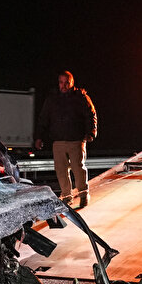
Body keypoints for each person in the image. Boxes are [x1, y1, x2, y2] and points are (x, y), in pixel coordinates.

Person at [34, 71, 97, 207]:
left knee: (78, 168)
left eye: (67, 82)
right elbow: (43, 118)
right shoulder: (52, 99)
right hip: (58, 140)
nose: (64, 85)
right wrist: (39, 137)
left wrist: (91, 132)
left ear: (72, 83)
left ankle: (83, 194)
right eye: (61, 82)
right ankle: (67, 196)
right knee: (61, 170)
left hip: (76, 140)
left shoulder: (81, 97)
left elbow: (91, 115)